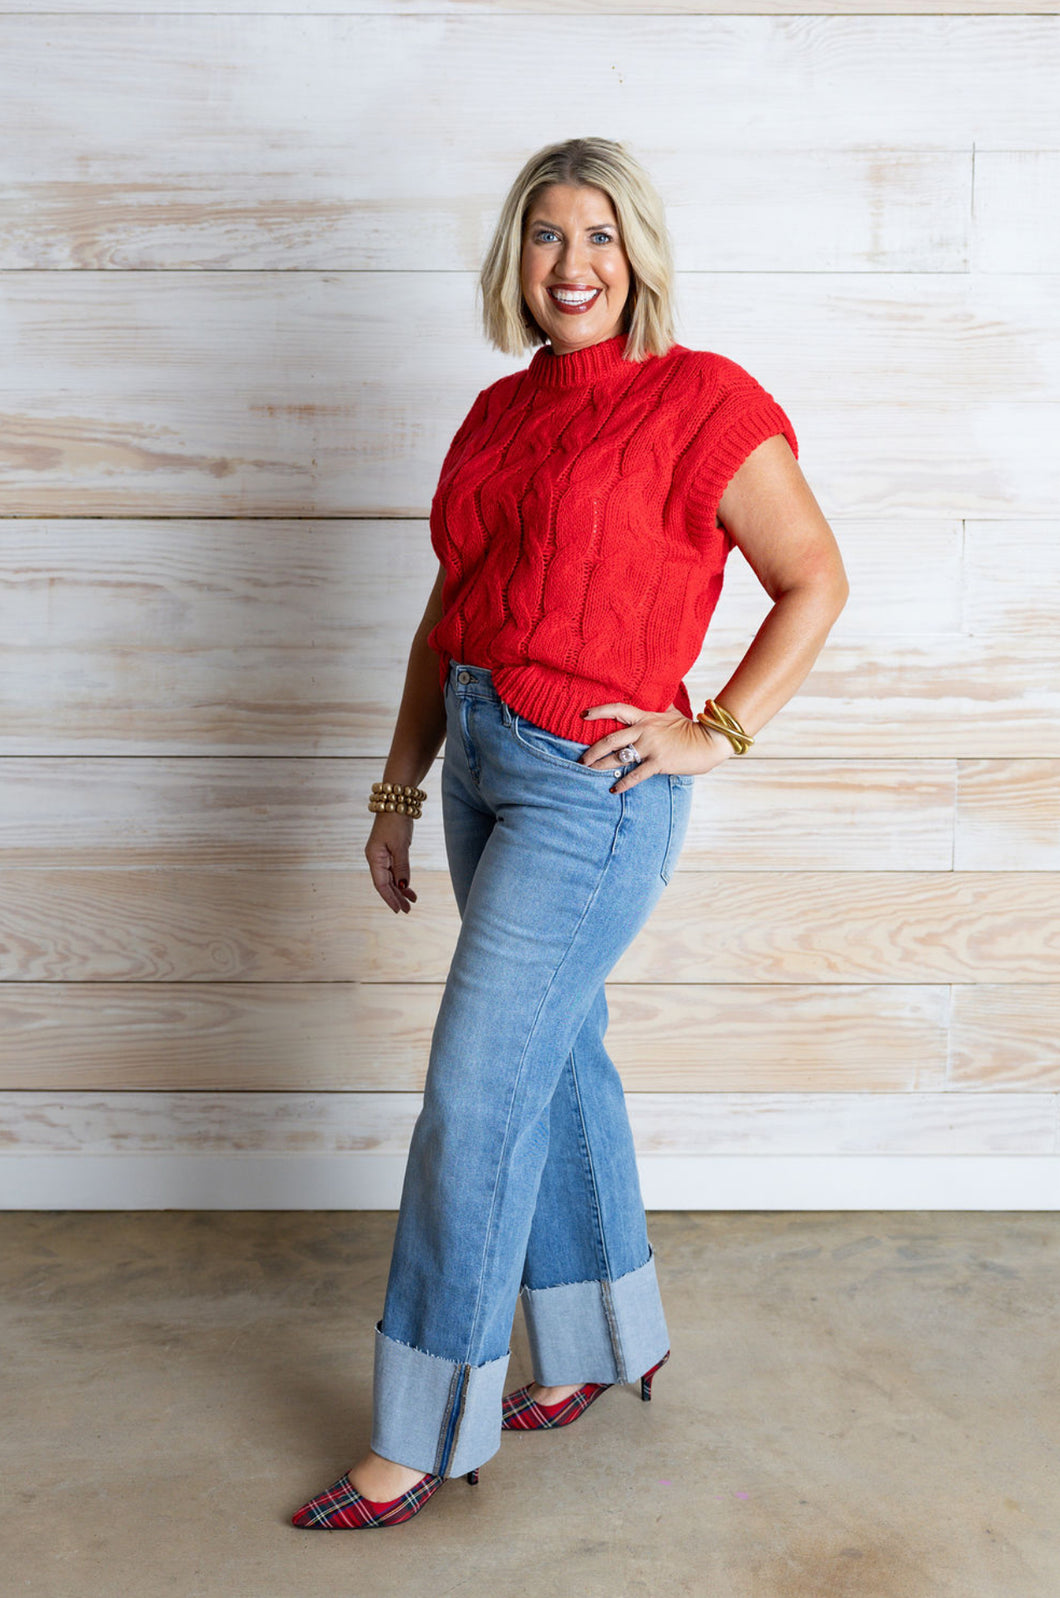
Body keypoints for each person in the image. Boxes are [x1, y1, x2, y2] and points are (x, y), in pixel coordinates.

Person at [291, 136, 848, 1530]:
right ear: (516, 258)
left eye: (600, 235)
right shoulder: (495, 414)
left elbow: (815, 578)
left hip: (587, 790)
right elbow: (450, 614)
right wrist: (398, 786)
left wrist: (714, 731)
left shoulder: (702, 400)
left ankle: (421, 1431)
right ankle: (602, 1338)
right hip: (480, 761)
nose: (573, 262)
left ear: (639, 255)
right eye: (547, 235)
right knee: (558, 1058)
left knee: (478, 1091)